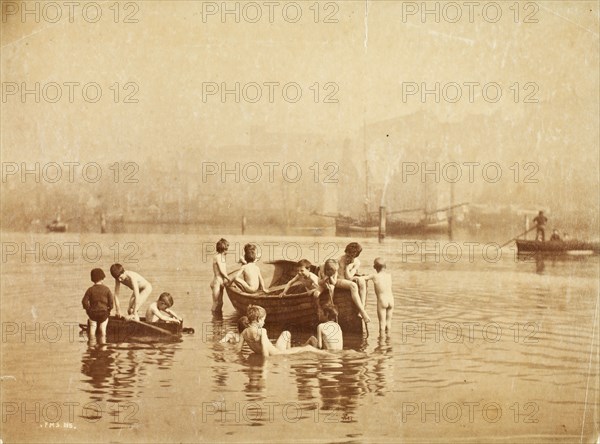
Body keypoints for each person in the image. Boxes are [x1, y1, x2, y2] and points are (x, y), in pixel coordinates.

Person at [238, 305, 328, 357]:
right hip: (278, 354)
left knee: (286, 333)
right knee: (308, 348)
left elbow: (238, 350)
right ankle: (328, 354)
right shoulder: (262, 331)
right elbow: (265, 353)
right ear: (258, 319)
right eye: (263, 320)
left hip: (275, 350)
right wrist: (263, 373)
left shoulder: (244, 332)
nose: (264, 322)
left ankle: (290, 352)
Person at [319, 259, 371, 323]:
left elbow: (334, 282)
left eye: (333, 271)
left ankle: (362, 311)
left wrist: (331, 277)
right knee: (319, 293)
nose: (332, 272)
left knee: (332, 287)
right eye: (329, 270)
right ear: (327, 269)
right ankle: (321, 309)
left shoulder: (335, 271)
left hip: (332, 284)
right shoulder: (323, 270)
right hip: (323, 285)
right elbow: (320, 282)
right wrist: (325, 278)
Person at [82, 268, 114, 341]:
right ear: (103, 278)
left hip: (93, 313)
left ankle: (92, 345)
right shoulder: (107, 289)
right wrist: (108, 310)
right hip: (103, 313)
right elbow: (111, 303)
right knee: (103, 330)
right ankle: (103, 346)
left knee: (92, 331)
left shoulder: (90, 290)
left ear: (92, 279)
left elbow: (84, 301)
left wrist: (88, 310)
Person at [364, 258, 394, 335]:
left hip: (382, 301)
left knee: (382, 323)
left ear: (374, 267)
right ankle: (388, 340)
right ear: (385, 267)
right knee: (388, 323)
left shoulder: (374, 276)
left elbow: (363, 278)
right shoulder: (389, 275)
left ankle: (381, 342)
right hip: (391, 300)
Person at [339, 242, 367, 309]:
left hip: (347, 278)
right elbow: (345, 277)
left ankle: (362, 306)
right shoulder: (340, 259)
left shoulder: (357, 262)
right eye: (348, 253)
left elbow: (349, 277)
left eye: (352, 255)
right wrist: (346, 266)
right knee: (353, 285)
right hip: (339, 279)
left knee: (362, 280)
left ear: (356, 255)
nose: (349, 256)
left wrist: (348, 267)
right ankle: (361, 309)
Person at [211, 238, 230, 313]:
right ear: (223, 249)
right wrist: (228, 279)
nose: (227, 251)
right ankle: (214, 320)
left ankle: (218, 322)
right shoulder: (218, 257)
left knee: (221, 303)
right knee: (216, 303)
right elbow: (222, 271)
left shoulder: (222, 257)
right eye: (227, 249)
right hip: (217, 282)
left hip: (221, 282)